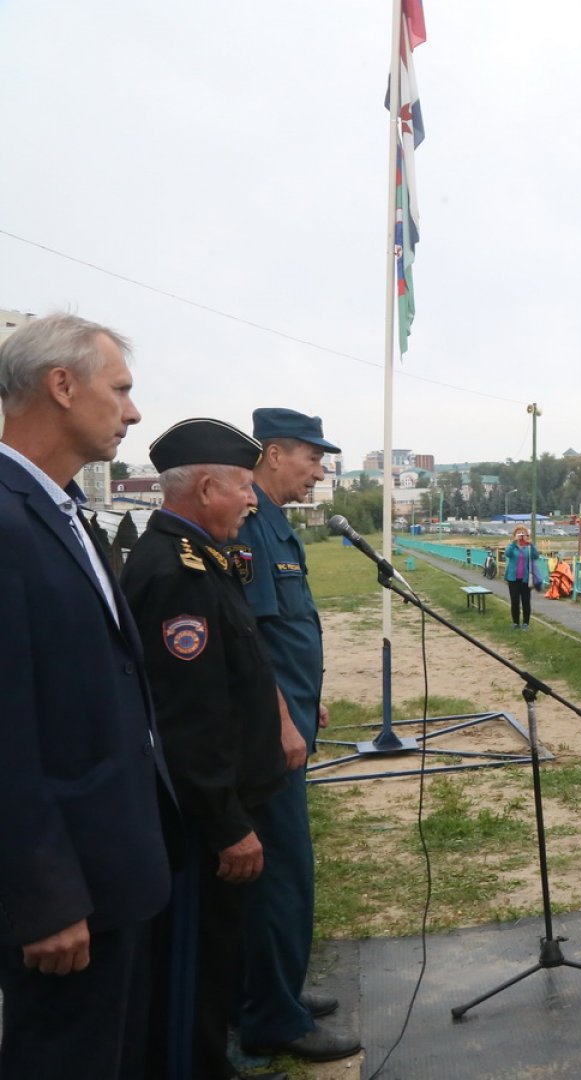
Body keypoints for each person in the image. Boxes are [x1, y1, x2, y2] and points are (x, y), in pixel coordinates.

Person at [0, 314, 175, 1080]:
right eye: (121, 389)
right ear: (63, 386)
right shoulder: (7, 522)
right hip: (64, 896)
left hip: (112, 872)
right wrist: (42, 895)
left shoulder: (62, 511)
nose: (133, 412)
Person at [122, 419, 289, 1080]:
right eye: (244, 486)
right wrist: (226, 825)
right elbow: (187, 718)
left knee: (216, 960)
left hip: (218, 808)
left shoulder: (201, 557)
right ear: (208, 488)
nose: (252, 500)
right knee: (193, 965)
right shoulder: (178, 573)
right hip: (200, 827)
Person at [231, 408, 362, 1062]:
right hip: (269, 736)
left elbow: (287, 633)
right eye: (312, 459)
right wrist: (284, 717)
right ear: (275, 453)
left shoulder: (274, 522)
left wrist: (307, 702)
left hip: (290, 716)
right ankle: (272, 1017)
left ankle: (277, 991)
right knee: (283, 873)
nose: (319, 473)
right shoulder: (250, 523)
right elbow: (251, 640)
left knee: (285, 871)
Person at [503, 526, 539, 630]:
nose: (521, 535)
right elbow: (507, 554)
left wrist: (530, 543)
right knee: (515, 601)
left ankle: (526, 623)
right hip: (513, 579)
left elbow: (536, 556)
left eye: (523, 533)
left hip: (525, 579)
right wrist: (514, 542)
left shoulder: (528, 547)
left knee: (526, 601)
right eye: (519, 533)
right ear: (515, 535)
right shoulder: (512, 546)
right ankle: (515, 622)